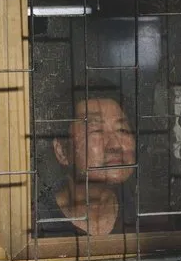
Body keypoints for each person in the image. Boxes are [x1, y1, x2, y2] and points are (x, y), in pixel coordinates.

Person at [38, 93, 136, 237]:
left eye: (122, 130)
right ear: (62, 151)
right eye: (96, 131)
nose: (115, 145)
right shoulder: (35, 224)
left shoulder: (150, 212)